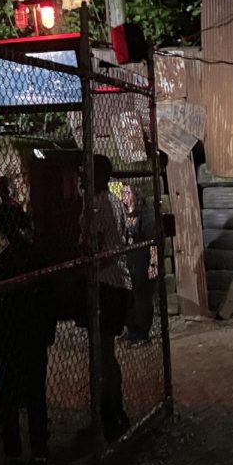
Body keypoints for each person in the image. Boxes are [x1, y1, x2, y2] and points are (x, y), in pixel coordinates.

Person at [0, 164, 57, 465]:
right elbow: (49, 295)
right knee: (35, 389)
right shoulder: (35, 254)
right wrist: (49, 329)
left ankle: (12, 448)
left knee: (7, 389)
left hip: (4, 328)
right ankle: (40, 445)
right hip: (32, 326)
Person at [80, 155, 132, 442]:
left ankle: (107, 416)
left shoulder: (97, 204)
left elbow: (97, 247)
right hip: (118, 282)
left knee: (102, 356)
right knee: (107, 355)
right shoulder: (113, 201)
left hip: (105, 284)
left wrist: (85, 264)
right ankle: (115, 412)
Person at [122, 183, 158, 344]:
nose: (124, 195)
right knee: (129, 298)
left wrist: (153, 264)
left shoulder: (146, 216)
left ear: (136, 195)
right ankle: (131, 331)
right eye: (123, 192)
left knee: (142, 298)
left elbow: (153, 241)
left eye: (128, 192)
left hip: (143, 262)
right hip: (129, 263)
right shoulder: (124, 214)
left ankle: (142, 333)